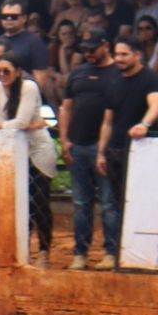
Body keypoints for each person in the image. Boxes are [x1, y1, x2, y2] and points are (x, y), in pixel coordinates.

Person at [95, 39, 158, 270]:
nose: (119, 59)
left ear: (137, 55)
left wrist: (144, 124)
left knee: (143, 203)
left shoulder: (150, 79)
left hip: (142, 153)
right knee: (112, 204)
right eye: (117, 54)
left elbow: (157, 105)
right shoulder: (113, 82)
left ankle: (145, 253)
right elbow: (107, 121)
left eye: (124, 54)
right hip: (115, 151)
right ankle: (113, 252)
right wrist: (100, 153)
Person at [0, 57, 57, 261]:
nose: (1, 75)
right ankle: (21, 249)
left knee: (40, 203)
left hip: (38, 150)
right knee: (17, 203)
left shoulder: (29, 87)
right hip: (14, 151)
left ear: (17, 71)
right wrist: (14, 125)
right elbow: (6, 120)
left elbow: (20, 121)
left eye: (6, 71)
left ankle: (44, 251)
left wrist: (4, 126)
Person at [60, 35, 118, 269]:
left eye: (93, 49)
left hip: (104, 147)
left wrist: (103, 149)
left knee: (108, 203)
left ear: (106, 46)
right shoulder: (78, 72)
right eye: (85, 50)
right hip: (78, 144)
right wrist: (64, 140)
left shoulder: (117, 73)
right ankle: (80, 253)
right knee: (81, 203)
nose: (89, 54)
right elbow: (66, 107)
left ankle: (111, 252)